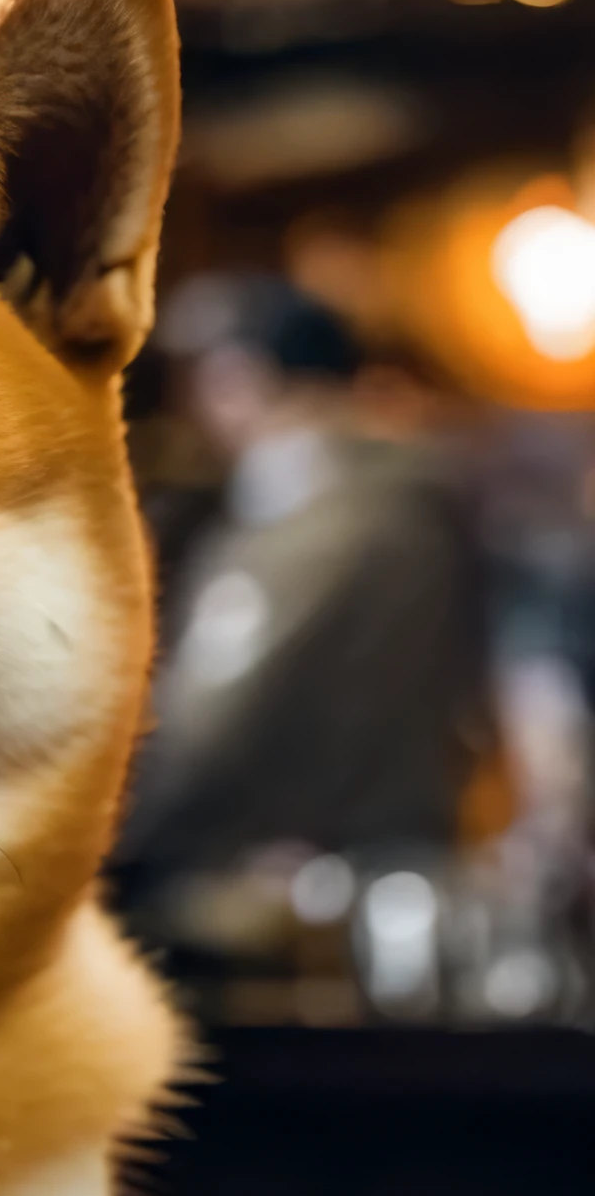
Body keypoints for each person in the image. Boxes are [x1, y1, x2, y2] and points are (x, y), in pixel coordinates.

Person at [117, 272, 485, 884]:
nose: (196, 406)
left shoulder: (311, 525)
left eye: (207, 376)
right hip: (400, 867)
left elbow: (205, 726)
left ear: (246, 378)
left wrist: (93, 839)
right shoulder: (418, 504)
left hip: (293, 889)